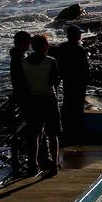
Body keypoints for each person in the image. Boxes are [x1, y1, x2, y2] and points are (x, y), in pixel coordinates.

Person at [21, 34, 61, 176]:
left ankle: (33, 164)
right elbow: (54, 82)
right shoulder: (51, 61)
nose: (49, 46)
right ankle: (55, 164)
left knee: (34, 135)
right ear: (44, 46)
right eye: (47, 44)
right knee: (52, 134)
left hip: (33, 99)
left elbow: (24, 82)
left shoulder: (24, 62)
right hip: (49, 99)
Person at [51, 25, 89, 139]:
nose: (81, 35)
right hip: (78, 81)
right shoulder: (79, 49)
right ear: (76, 36)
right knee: (78, 105)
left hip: (67, 80)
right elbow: (85, 68)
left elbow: (58, 65)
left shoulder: (62, 47)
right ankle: (77, 129)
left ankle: (66, 128)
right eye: (79, 33)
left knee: (68, 102)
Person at [9, 31, 31, 113]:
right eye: (28, 41)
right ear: (22, 43)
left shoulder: (20, 54)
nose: (30, 43)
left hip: (20, 88)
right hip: (22, 89)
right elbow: (21, 76)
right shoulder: (18, 57)